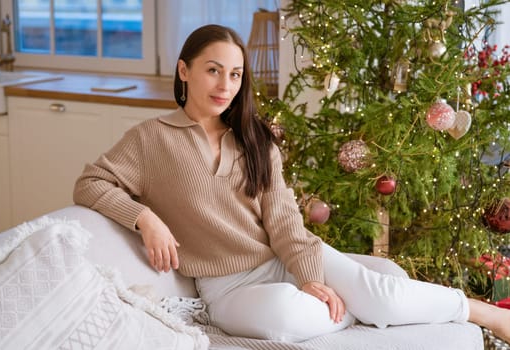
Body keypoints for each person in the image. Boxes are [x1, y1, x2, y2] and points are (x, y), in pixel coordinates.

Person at [73, 24, 510, 343]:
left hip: (282, 257)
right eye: (212, 70)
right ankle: (370, 300)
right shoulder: (150, 139)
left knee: (384, 298)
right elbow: (91, 182)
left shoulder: (255, 140)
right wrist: (144, 218)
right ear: (184, 71)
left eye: (235, 74)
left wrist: (308, 277)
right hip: (225, 287)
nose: (225, 85)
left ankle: (484, 313)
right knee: (282, 319)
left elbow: (284, 222)